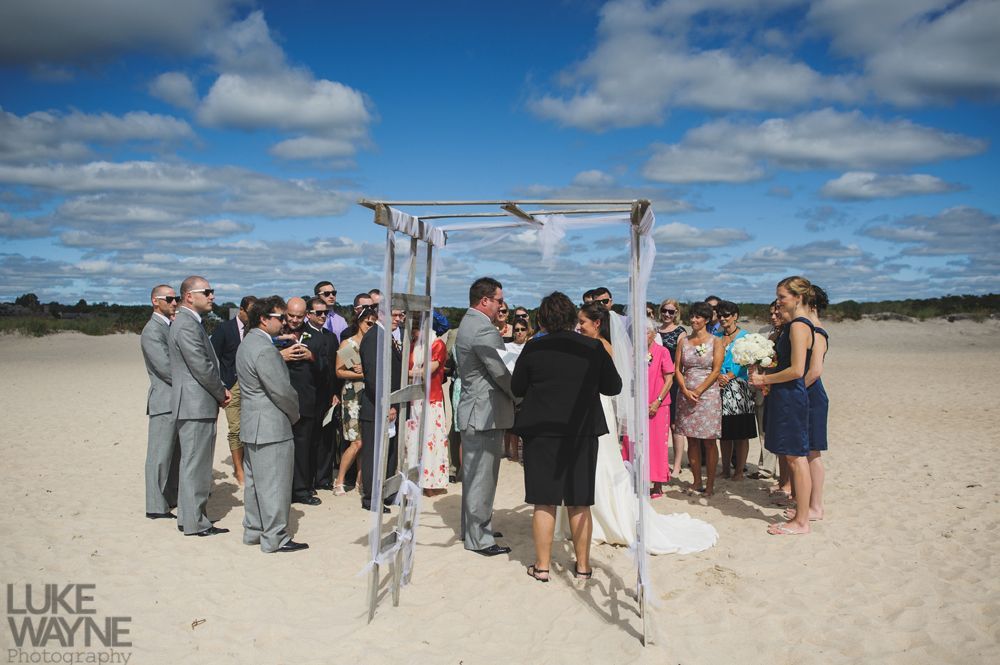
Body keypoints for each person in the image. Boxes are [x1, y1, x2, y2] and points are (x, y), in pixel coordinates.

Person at [564, 301, 718, 555]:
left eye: (582, 322)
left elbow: (611, 383)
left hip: (598, 407)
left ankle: (604, 516)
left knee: (601, 460)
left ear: (597, 324)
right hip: (596, 407)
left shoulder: (602, 347)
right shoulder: (599, 346)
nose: (578, 327)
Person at [512, 292, 622, 582]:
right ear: (573, 317)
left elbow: (517, 386)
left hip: (542, 431)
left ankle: (543, 566)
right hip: (581, 430)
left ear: (542, 319)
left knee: (543, 501)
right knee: (579, 500)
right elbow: (613, 387)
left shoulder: (533, 349)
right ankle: (583, 566)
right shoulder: (592, 348)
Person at [236, 296, 307, 553]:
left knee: (255, 484)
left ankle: (253, 530)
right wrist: (294, 414)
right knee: (275, 485)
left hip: (252, 423)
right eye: (280, 317)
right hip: (270, 425)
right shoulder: (265, 349)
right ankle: (275, 537)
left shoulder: (248, 343)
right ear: (264, 320)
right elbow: (282, 391)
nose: (285, 322)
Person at [750, 276, 816, 535]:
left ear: (798, 298)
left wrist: (764, 379)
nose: (778, 302)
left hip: (791, 396)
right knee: (791, 456)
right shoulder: (791, 326)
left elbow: (798, 370)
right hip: (782, 394)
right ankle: (800, 514)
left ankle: (801, 521)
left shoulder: (800, 326)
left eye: (782, 297)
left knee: (797, 458)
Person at [455, 277, 515, 557]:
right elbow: (501, 371)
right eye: (499, 300)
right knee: (482, 476)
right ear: (485, 300)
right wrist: (521, 395)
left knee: (475, 474)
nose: (502, 305)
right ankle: (479, 537)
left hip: (475, 409)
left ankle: (475, 526)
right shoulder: (483, 329)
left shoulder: (469, 322)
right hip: (484, 413)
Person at [168, 276, 231, 537]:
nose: (212, 296)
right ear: (189, 296)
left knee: (192, 464)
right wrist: (221, 393)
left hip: (196, 404)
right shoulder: (185, 324)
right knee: (196, 465)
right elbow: (201, 367)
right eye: (207, 291)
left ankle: (189, 518)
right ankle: (195, 523)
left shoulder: (189, 323)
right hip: (196, 405)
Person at [784, 286, 830, 523]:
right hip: (807, 392)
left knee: (813, 452)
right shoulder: (807, 327)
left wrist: (797, 392)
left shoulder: (817, 330)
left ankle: (815, 506)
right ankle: (809, 503)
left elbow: (815, 370)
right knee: (810, 451)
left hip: (811, 394)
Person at [674, 301, 723, 497]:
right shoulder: (683, 341)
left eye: (698, 317)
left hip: (708, 395)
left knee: (709, 441)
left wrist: (700, 390)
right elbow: (677, 368)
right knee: (691, 440)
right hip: (686, 394)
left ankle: (710, 484)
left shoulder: (715, 341)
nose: (693, 320)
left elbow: (716, 369)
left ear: (706, 319)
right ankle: (696, 481)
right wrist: (685, 390)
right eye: (692, 316)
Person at [140, 284, 180, 520]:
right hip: (164, 401)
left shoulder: (169, 326)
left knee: (175, 454)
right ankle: (155, 506)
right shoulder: (152, 331)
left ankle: (170, 498)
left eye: (176, 298)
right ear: (156, 301)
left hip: (178, 399)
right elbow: (166, 368)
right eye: (170, 298)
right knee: (159, 455)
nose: (174, 302)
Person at [280, 297, 325, 506]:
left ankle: (302, 489)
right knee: (281, 447)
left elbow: (326, 368)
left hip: (306, 400)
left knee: (304, 446)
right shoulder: (274, 333)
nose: (295, 320)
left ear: (306, 315)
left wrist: (311, 356)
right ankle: (283, 490)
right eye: (291, 316)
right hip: (280, 399)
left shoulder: (316, 336)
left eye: (299, 316)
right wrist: (281, 355)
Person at [359, 308, 404, 513]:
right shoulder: (374, 338)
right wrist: (387, 404)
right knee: (374, 453)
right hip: (377, 406)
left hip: (391, 404)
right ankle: (371, 498)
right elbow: (374, 377)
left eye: (401, 315)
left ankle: (386, 492)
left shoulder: (386, 336)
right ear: (381, 313)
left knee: (390, 452)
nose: (398, 319)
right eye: (394, 314)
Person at [210, 295, 256, 485]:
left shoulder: (256, 330)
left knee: (252, 427)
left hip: (252, 385)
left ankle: (250, 464)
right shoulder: (224, 329)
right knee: (235, 429)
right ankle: (239, 470)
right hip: (231, 385)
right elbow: (212, 357)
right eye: (251, 312)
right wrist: (221, 385)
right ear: (242, 310)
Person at [333, 306, 376, 495]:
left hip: (369, 394)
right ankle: (339, 481)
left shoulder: (373, 343)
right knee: (356, 442)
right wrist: (359, 374)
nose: (371, 326)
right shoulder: (348, 344)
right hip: (352, 395)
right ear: (359, 321)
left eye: (374, 324)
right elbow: (339, 371)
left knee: (364, 441)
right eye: (368, 322)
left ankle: (361, 481)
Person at [403, 325, 450, 496]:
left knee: (431, 439)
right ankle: (415, 480)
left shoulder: (437, 344)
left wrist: (403, 371)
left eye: (417, 328)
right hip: (415, 398)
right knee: (414, 439)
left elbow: (427, 371)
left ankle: (431, 482)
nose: (414, 332)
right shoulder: (414, 345)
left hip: (432, 399)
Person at [715, 300, 759, 482]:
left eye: (726, 315)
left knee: (740, 433)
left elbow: (748, 362)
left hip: (740, 388)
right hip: (719, 387)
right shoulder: (716, 336)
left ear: (735, 316)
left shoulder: (746, 337)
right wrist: (718, 375)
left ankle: (739, 471)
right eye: (719, 315)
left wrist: (730, 376)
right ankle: (725, 469)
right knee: (724, 433)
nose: (722, 318)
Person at [643, 317, 674, 497]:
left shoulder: (662, 351)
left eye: (646, 332)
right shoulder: (633, 352)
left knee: (657, 444)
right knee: (636, 442)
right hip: (639, 404)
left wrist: (658, 400)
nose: (643, 335)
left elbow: (669, 378)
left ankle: (658, 483)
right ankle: (638, 479)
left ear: (654, 333)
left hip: (659, 404)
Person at [657, 298, 687, 478]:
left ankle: (676, 465)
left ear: (676, 313)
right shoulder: (655, 330)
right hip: (654, 379)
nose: (667, 314)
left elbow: (680, 360)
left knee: (675, 424)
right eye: (665, 311)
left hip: (673, 379)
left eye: (671, 312)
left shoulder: (680, 333)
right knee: (658, 423)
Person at [502, 319, 532, 461]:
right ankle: (514, 453)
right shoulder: (507, 346)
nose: (519, 332)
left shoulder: (531, 346)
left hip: (529, 388)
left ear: (527, 331)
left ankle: (525, 452)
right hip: (512, 386)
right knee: (513, 423)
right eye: (517, 329)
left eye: (522, 329)